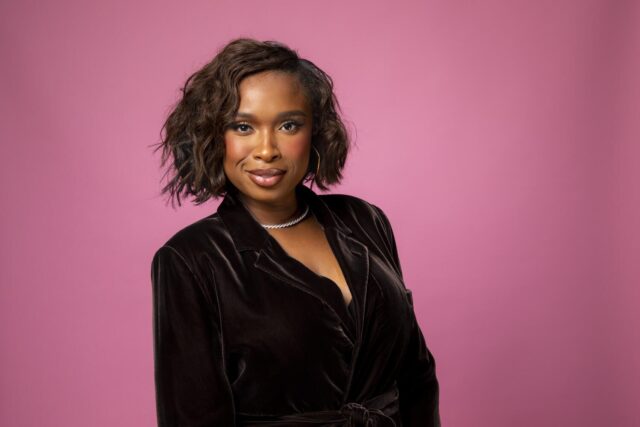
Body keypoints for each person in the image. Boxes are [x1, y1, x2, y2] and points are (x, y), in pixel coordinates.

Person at [150, 37, 440, 427]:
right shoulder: (190, 259)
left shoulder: (364, 220)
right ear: (214, 136)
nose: (267, 149)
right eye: (243, 126)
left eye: (288, 125)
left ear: (314, 131)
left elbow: (417, 375)